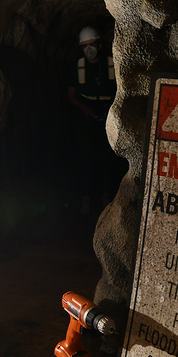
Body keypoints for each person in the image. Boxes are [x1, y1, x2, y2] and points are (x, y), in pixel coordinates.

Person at [67, 26, 124, 215]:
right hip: (86, 118)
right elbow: (71, 95)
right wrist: (85, 109)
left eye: (91, 45)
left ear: (99, 45)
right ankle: (86, 200)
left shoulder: (112, 64)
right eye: (85, 46)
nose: (89, 49)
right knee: (86, 159)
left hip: (108, 118)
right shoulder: (78, 67)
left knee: (106, 159)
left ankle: (107, 198)